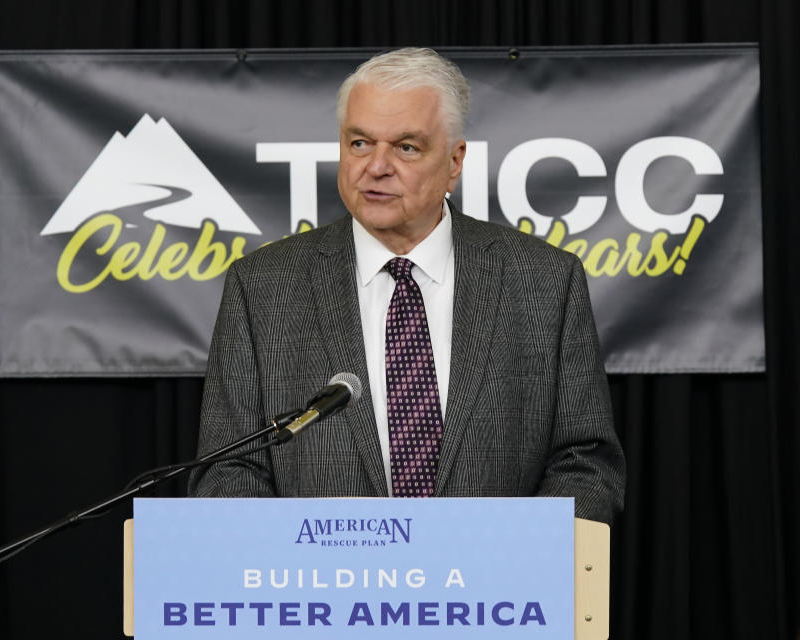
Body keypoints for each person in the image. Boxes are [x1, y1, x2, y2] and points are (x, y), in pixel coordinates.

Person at [188, 47, 625, 524]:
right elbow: (228, 471)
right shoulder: (263, 288)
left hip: (492, 590)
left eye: (406, 147)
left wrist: (515, 556)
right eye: (359, 143)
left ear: (454, 161)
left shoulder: (543, 281)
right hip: (319, 589)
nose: (375, 167)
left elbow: (585, 461)